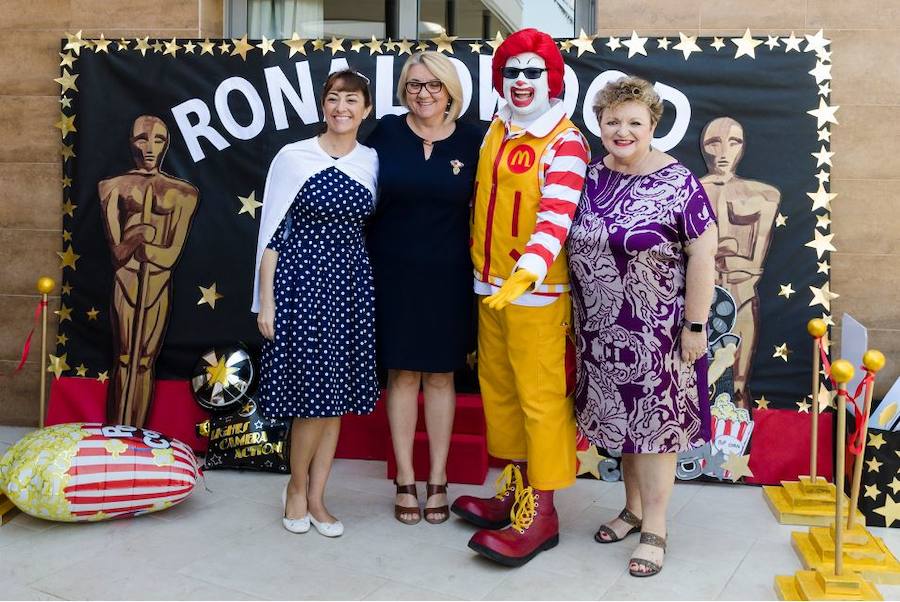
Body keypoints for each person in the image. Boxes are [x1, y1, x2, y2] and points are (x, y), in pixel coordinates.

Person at [450, 28, 590, 566]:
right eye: (512, 72)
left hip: (536, 293)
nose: (522, 81)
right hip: (490, 289)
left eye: (533, 71)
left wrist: (527, 271)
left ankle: (544, 513)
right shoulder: (497, 130)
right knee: (500, 391)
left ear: (551, 79)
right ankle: (514, 490)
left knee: (540, 400)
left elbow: (557, 217)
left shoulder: (565, 140)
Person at [568, 76, 717, 577]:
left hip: (658, 332)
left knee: (655, 429)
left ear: (653, 126)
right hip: (598, 331)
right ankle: (631, 508)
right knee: (621, 425)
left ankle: (655, 526)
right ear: (600, 125)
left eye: (634, 121)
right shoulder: (589, 176)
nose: (622, 130)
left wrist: (695, 325)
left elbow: (703, 254)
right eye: (613, 121)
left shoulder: (679, 182)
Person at [251, 70, 379, 538]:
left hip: (350, 287)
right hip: (299, 285)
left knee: (335, 400)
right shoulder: (293, 156)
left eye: (351, 100)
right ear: (323, 105)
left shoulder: (371, 162)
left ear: (366, 109)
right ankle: (296, 489)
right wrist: (266, 302)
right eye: (333, 98)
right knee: (312, 400)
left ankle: (319, 497)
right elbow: (272, 235)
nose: (341, 107)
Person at [365, 52, 481, 525]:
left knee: (439, 376)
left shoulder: (476, 138)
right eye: (414, 85)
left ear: (451, 90)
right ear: (403, 91)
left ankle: (438, 479)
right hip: (392, 273)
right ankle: (406, 479)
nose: (424, 94)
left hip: (450, 275)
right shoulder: (386, 134)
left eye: (434, 85)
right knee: (402, 376)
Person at [98, 115, 199, 428]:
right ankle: (117, 429)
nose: (150, 146)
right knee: (124, 358)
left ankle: (137, 432)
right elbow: (116, 252)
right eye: (143, 138)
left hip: (157, 284)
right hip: (126, 281)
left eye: (158, 139)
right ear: (132, 142)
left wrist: (146, 242)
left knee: (144, 362)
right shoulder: (112, 188)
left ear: (167, 144)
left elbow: (170, 255)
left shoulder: (184, 194)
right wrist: (136, 234)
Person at [699, 117, 781, 409]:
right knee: (696, 383)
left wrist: (721, 256)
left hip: (742, 298)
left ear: (743, 147)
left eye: (733, 141)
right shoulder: (689, 192)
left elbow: (754, 264)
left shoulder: (764, 196)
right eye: (713, 142)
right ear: (703, 147)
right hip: (698, 303)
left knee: (738, 385)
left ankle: (740, 452)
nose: (723, 151)